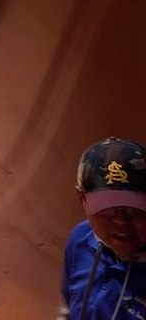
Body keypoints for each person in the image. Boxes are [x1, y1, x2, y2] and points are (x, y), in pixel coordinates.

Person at [59, 137, 145, 320]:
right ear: (81, 199)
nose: (121, 221)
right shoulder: (80, 240)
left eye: (133, 210)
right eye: (107, 209)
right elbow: (68, 305)